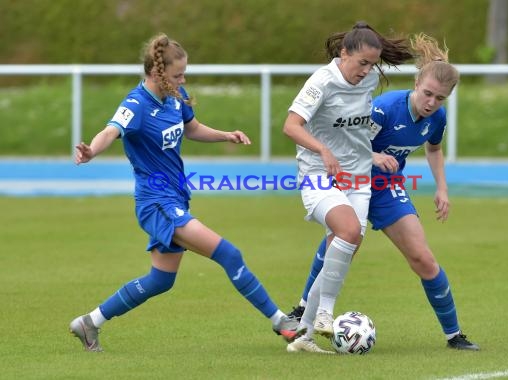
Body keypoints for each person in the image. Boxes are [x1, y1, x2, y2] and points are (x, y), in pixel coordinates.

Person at [69, 33, 303, 352]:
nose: (183, 80)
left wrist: (225, 135)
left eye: (184, 74)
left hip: (175, 198)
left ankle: (89, 323)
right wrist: (91, 151)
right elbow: (111, 130)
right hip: (157, 202)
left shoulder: (175, 95)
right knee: (229, 253)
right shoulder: (136, 105)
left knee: (161, 280)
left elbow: (191, 128)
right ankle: (282, 322)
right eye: (178, 75)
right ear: (156, 73)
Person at [288, 33, 479, 351]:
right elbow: (348, 139)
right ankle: (302, 311)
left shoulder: (436, 118)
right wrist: (374, 156)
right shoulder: (384, 109)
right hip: (352, 181)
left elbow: (434, 150)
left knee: (423, 259)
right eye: (428, 94)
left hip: (386, 188)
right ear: (417, 82)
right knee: (341, 248)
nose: (432, 103)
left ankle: (454, 334)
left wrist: (442, 189)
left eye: (440, 98)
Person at [282, 22, 414, 353]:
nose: (368, 71)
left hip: (358, 177)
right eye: (362, 63)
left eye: (372, 64)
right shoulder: (321, 82)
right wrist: (323, 150)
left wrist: (373, 154)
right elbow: (291, 126)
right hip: (318, 173)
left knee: (342, 250)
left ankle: (304, 337)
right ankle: (326, 312)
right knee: (349, 229)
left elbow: (355, 129)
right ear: (344, 53)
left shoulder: (368, 80)